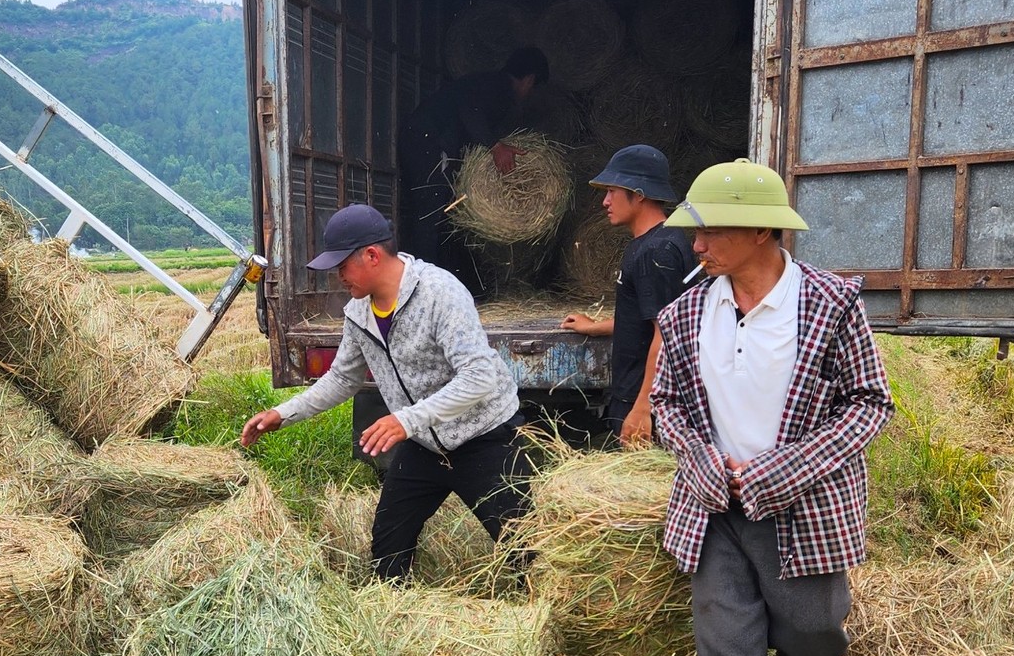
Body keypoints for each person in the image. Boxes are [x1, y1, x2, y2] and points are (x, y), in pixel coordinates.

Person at [650, 159, 893, 656]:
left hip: (803, 509)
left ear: (762, 230)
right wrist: (702, 459)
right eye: (694, 232)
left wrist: (784, 469)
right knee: (725, 651)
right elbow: (667, 405)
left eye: (711, 231)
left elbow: (870, 404)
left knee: (814, 640)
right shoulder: (685, 314)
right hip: (716, 511)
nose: (698, 245)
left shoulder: (830, 305)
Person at [241, 203, 528, 582]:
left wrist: (407, 420)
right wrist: (283, 413)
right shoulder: (358, 312)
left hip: (484, 438)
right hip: (425, 446)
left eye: (342, 266)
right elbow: (343, 378)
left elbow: (478, 377)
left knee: (525, 549)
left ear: (372, 255)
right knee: (388, 549)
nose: (339, 276)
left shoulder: (439, 293)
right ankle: (394, 618)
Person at [558, 145, 691, 446]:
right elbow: (647, 317)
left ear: (639, 193)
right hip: (634, 393)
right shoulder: (652, 243)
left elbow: (666, 333)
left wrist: (644, 407)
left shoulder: (657, 252)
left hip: (642, 399)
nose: (605, 201)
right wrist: (594, 326)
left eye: (612, 191)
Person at [396, 46, 550, 294]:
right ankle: (420, 290)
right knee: (430, 215)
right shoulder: (498, 87)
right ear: (530, 79)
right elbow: (469, 111)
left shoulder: (487, 83)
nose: (530, 95)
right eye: (534, 88)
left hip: (425, 139)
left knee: (440, 215)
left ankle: (441, 286)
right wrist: (495, 145)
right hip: (428, 140)